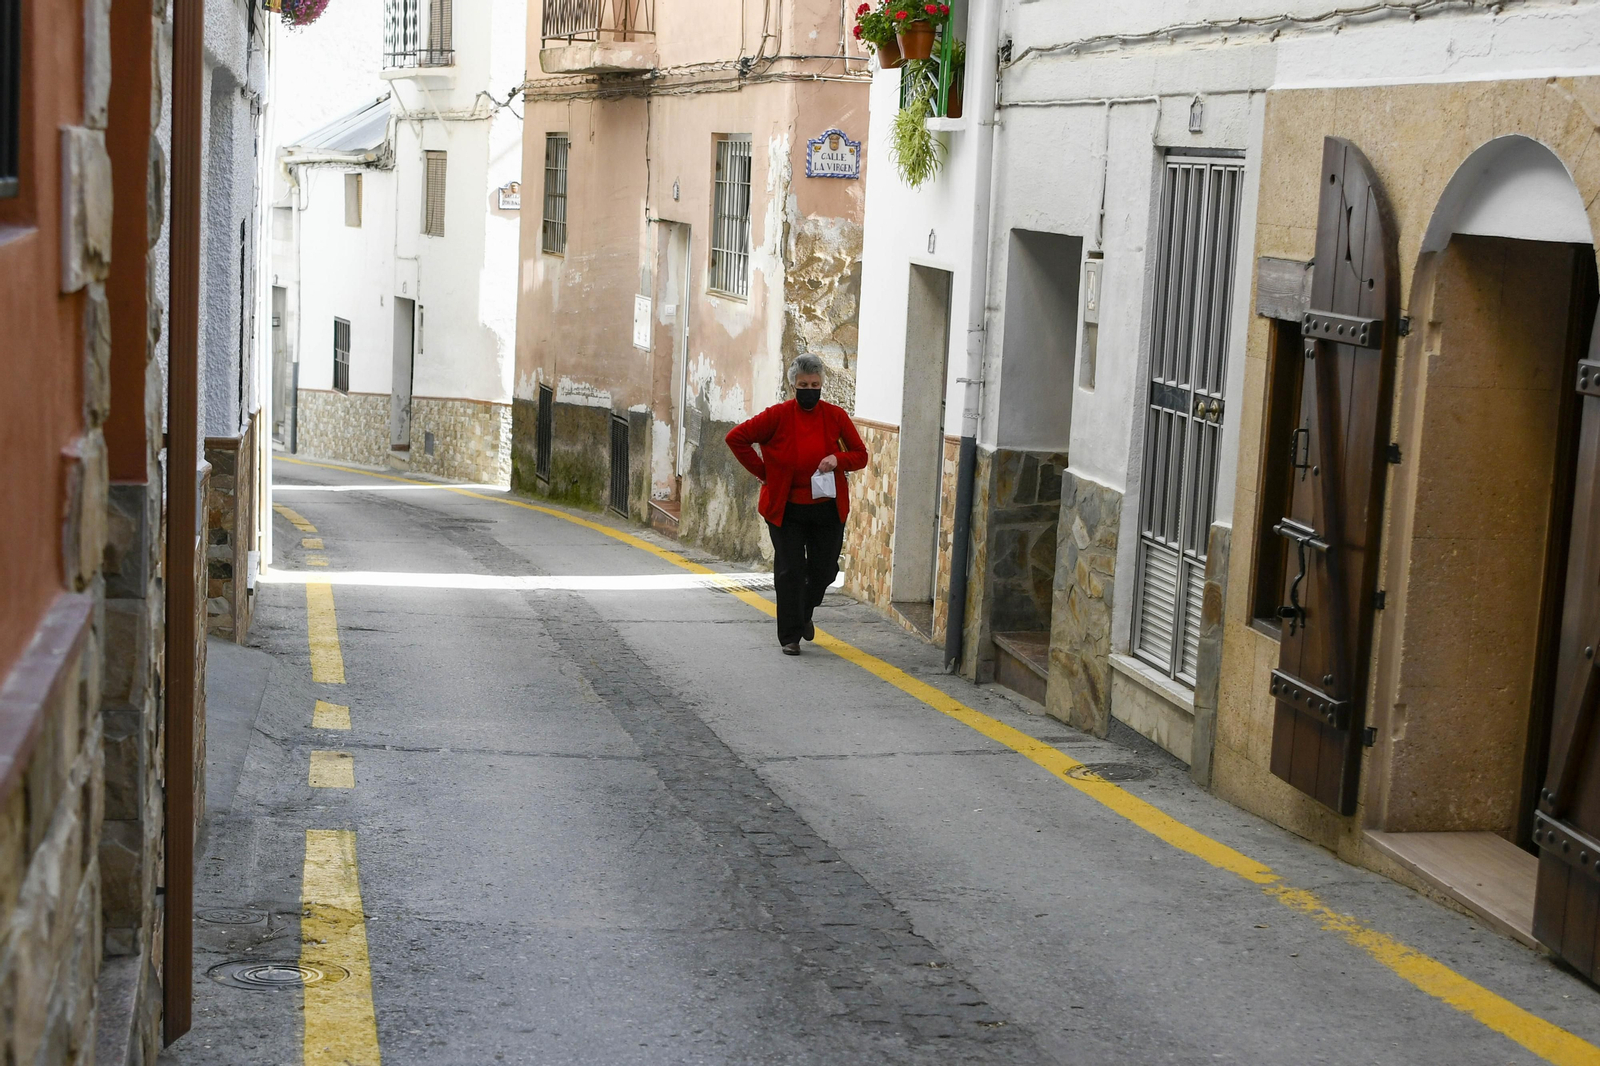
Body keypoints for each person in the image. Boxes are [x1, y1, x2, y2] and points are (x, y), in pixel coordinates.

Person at [726, 354, 868, 655]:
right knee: (790, 570)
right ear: (793, 387)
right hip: (786, 507)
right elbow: (736, 438)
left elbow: (860, 455)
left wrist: (837, 459)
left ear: (822, 386)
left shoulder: (835, 416)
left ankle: (803, 613)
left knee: (825, 570)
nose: (809, 390)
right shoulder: (777, 416)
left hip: (826, 507)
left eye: (815, 385)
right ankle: (790, 637)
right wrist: (765, 473)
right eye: (803, 385)